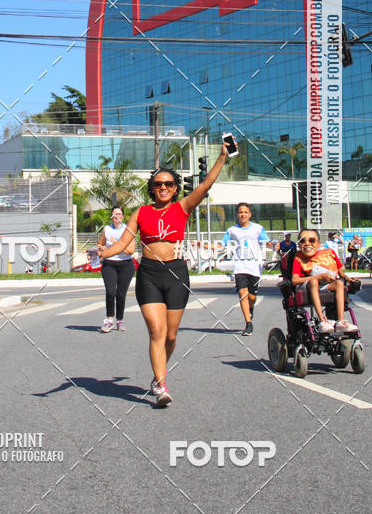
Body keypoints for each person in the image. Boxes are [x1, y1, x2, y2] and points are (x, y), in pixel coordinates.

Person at [97, 144, 228, 407]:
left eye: (168, 183)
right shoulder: (140, 213)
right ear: (152, 188)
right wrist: (105, 252)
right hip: (149, 274)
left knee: (170, 336)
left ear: (176, 188)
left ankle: (159, 374)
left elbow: (205, 185)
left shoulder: (183, 207)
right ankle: (161, 385)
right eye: (158, 184)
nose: (163, 187)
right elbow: (124, 242)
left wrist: (222, 157)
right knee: (156, 331)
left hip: (177, 273)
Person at [292, 228, 357, 333]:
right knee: (314, 282)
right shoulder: (298, 257)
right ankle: (322, 321)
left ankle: (340, 321)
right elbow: (294, 280)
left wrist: (348, 278)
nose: (307, 244)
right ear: (299, 244)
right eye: (303, 241)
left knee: (339, 283)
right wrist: (318, 277)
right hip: (307, 285)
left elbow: (341, 274)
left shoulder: (329, 253)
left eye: (311, 240)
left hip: (324, 285)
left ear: (318, 244)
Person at [222, 203, 271, 336]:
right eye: (240, 212)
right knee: (242, 292)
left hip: (255, 266)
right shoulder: (232, 230)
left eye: (245, 212)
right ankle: (248, 324)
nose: (242, 214)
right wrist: (203, 245)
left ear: (249, 214)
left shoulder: (258, 228)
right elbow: (222, 244)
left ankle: (251, 306)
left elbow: (266, 242)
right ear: (237, 215)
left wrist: (276, 247)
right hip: (240, 266)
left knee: (252, 296)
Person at [97, 206, 136, 332]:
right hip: (110, 263)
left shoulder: (128, 230)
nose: (116, 216)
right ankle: (109, 320)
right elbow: (100, 243)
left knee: (121, 294)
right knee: (110, 292)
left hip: (126, 264)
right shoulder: (107, 229)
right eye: (114, 214)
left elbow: (131, 250)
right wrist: (102, 248)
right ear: (111, 216)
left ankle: (119, 320)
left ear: (123, 216)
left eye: (119, 214)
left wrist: (116, 244)